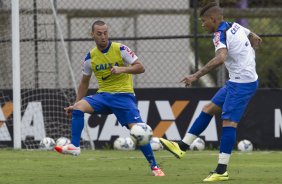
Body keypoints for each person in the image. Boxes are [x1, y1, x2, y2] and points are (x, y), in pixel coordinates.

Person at [160, 2, 262, 182]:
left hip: (242, 84)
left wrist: (195, 75)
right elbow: (256, 38)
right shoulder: (234, 25)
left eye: (204, 21)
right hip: (237, 81)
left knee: (229, 123)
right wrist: (249, 53)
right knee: (209, 109)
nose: (202, 24)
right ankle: (182, 146)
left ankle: (221, 170)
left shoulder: (219, 34)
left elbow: (220, 59)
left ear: (214, 19)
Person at [54, 20, 165, 177]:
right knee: (79, 108)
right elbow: (84, 83)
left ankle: (154, 167)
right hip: (104, 96)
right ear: (92, 34)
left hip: (124, 96)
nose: (103, 36)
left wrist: (122, 69)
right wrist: (75, 103)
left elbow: (141, 67)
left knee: (138, 130)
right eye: (99, 33)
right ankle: (75, 146)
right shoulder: (90, 57)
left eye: (105, 33)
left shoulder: (120, 49)